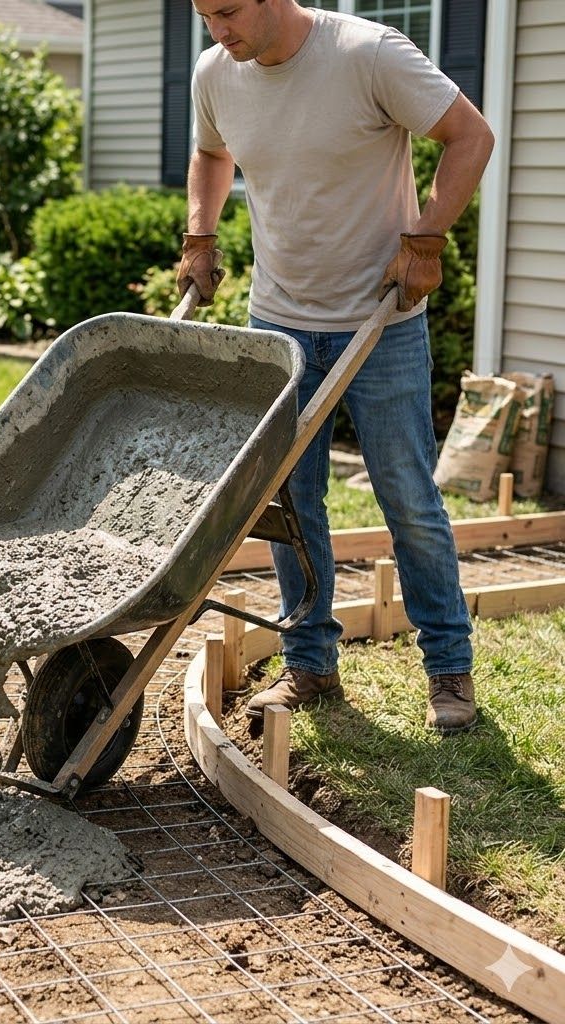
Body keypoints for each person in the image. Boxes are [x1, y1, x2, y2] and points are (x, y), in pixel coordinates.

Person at [177, 0, 494, 734]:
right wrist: (200, 233)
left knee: (408, 498)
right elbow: (212, 151)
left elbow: (469, 135)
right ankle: (311, 664)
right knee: (291, 506)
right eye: (203, 16)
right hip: (280, 322)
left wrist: (426, 240)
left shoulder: (368, 53)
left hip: (380, 323)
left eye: (227, 12)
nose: (217, 32)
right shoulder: (216, 72)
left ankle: (449, 668)